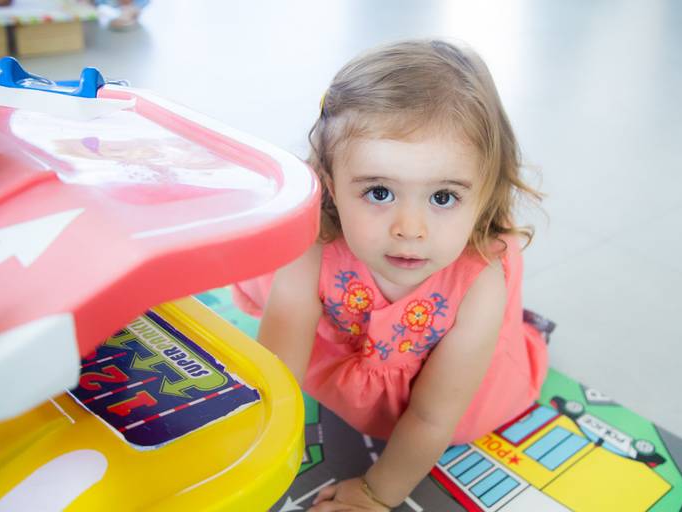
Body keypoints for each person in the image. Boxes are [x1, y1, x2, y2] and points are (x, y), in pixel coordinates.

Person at [234, 39, 550, 511]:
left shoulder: (479, 283)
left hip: (446, 398)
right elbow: (276, 376)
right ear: (329, 182)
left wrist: (374, 494)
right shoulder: (314, 244)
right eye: (379, 192)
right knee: (267, 270)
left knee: (468, 386)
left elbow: (431, 416)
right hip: (349, 356)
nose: (409, 230)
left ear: (485, 194)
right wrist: (247, 457)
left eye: (443, 197)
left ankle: (514, 326)